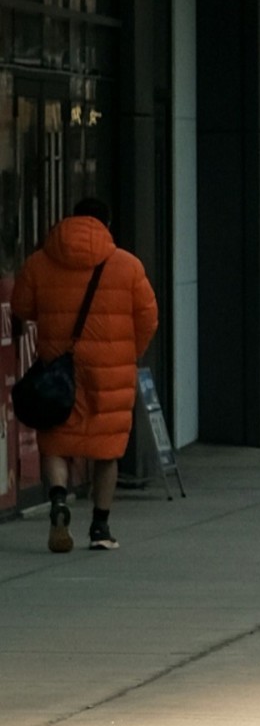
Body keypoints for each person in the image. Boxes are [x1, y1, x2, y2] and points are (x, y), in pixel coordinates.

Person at [13, 198, 159, 553]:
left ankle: (60, 499)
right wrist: (127, 352)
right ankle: (100, 527)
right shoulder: (127, 265)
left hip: (57, 372)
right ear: (105, 224)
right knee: (105, 449)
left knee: (57, 443)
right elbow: (148, 319)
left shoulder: (39, 263)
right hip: (110, 372)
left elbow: (21, 308)